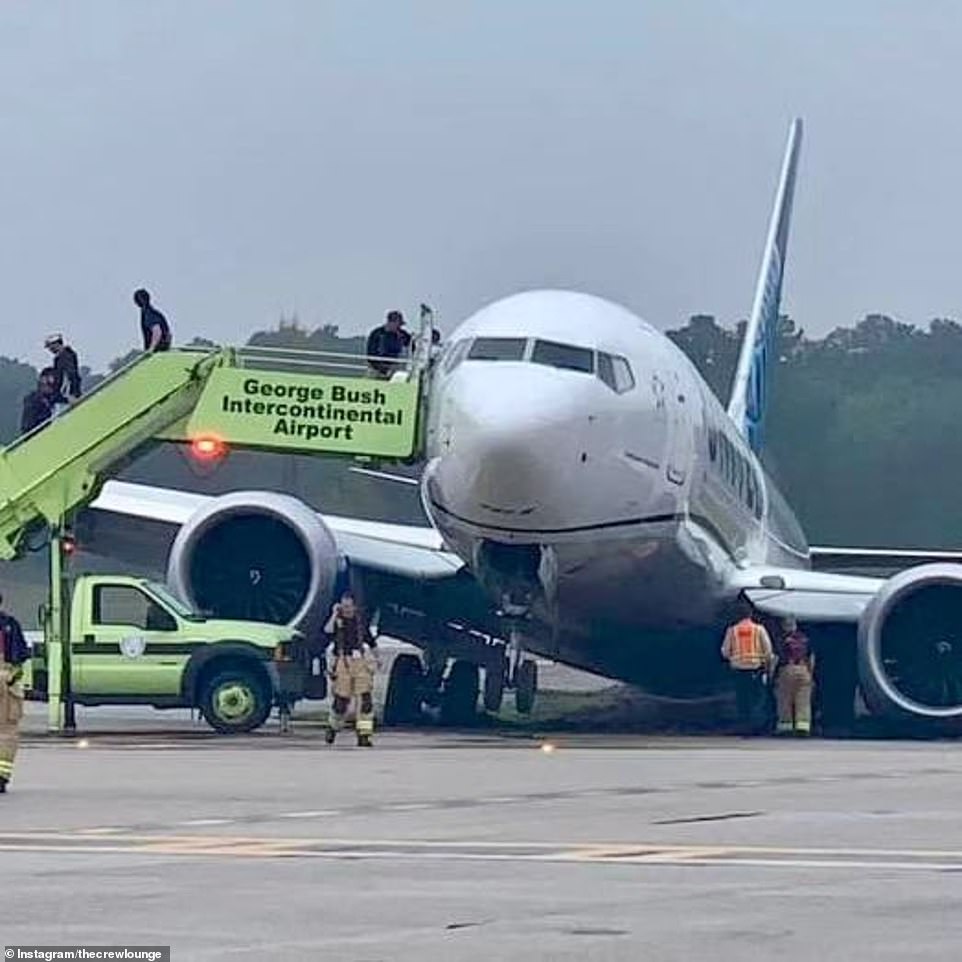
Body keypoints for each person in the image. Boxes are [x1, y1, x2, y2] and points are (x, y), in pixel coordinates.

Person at [323, 592, 379, 746]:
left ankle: (364, 735)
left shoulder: (361, 623)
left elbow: (371, 641)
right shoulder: (337, 621)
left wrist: (377, 658)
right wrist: (334, 614)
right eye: (343, 606)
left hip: (360, 660)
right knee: (341, 700)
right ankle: (333, 728)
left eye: (348, 606)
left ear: (354, 606)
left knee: (365, 700)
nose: (346, 609)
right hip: (342, 661)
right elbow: (327, 631)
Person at [721, 597, 775, 734]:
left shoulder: (732, 630)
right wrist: (767, 665)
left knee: (742, 700)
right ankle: (756, 727)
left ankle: (744, 727)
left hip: (738, 669)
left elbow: (725, 652)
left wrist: (735, 657)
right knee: (756, 699)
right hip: (755, 669)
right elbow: (768, 651)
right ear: (751, 614)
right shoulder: (759, 630)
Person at [0, 592, 29, 794]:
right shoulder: (10, 625)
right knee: (6, 732)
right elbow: (20, 659)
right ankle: (1, 776)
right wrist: (11, 678)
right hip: (6, 683)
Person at [775, 616, 815, 736]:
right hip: (804, 670)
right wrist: (810, 673)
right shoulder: (805, 638)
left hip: (787, 669)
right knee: (803, 700)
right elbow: (812, 657)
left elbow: (776, 657)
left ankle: (785, 727)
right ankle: (803, 727)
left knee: (784, 700)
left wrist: (772, 674)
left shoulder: (782, 639)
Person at [365, 310, 411, 379]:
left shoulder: (402, 334)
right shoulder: (377, 334)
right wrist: (383, 369)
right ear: (391, 322)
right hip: (376, 368)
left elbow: (411, 344)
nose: (399, 327)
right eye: (398, 325)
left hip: (393, 367)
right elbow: (371, 354)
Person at [44, 334, 82, 404]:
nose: (50, 349)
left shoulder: (66, 355)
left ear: (56, 344)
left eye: (50, 346)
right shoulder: (59, 358)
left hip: (69, 393)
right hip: (64, 393)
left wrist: (70, 394)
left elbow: (70, 375)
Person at [20, 368, 59, 434]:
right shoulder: (32, 400)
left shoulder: (57, 399)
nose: (51, 386)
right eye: (47, 381)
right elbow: (28, 427)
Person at [133, 288, 172, 352]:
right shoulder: (156, 313)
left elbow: (157, 331)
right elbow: (169, 335)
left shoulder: (149, 314)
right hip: (164, 350)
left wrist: (151, 349)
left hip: (157, 352)